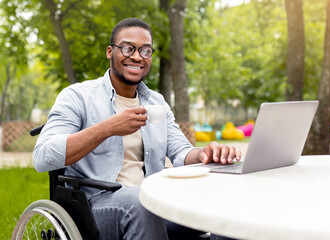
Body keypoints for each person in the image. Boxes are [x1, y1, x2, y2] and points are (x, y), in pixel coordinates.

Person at [33, 17, 241, 240]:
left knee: (224, 195)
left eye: (145, 51)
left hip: (157, 201)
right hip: (97, 207)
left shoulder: (156, 102)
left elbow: (180, 152)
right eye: (128, 48)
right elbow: (43, 156)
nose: (137, 57)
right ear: (110, 52)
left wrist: (204, 154)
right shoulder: (77, 97)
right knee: (140, 201)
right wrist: (107, 128)